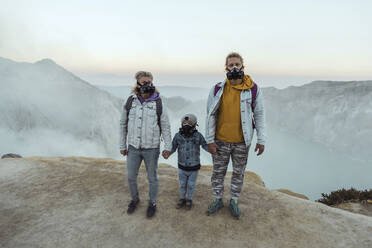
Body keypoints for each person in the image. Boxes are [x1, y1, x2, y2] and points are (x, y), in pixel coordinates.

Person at [205, 52, 266, 219]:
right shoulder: (217, 89)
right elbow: (210, 115)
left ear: (242, 67)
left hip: (242, 141)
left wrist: (261, 140)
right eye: (230, 65)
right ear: (226, 68)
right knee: (218, 172)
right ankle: (217, 199)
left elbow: (259, 114)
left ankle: (234, 201)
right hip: (220, 141)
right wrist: (209, 140)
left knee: (239, 172)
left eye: (237, 64)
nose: (234, 67)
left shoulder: (253, 89)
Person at [120, 71, 172, 218]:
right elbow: (123, 124)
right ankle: (135, 200)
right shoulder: (130, 101)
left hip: (152, 148)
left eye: (149, 82)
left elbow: (165, 125)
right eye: (144, 82)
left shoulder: (159, 102)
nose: (147, 85)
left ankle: (152, 203)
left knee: (152, 178)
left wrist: (168, 147)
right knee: (131, 176)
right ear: (137, 83)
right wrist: (122, 145)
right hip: (133, 147)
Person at [163, 114, 208, 210]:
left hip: (194, 167)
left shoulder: (198, 136)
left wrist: (212, 149)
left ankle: (189, 199)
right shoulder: (177, 136)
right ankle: (182, 198)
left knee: (191, 185)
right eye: (184, 123)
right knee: (182, 184)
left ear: (195, 125)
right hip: (182, 166)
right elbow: (173, 147)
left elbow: (205, 145)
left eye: (189, 123)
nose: (186, 125)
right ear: (181, 124)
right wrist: (168, 153)